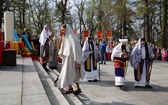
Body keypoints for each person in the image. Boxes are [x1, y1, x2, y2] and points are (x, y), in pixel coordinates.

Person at [56, 24, 85, 95]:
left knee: (76, 74)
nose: (62, 31)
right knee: (68, 74)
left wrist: (78, 61)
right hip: (67, 59)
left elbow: (77, 50)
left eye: (63, 29)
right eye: (61, 30)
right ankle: (70, 87)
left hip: (73, 59)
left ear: (67, 29)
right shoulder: (65, 37)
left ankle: (77, 88)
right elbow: (64, 48)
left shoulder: (73, 38)